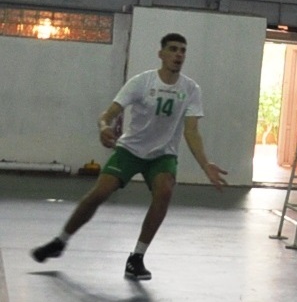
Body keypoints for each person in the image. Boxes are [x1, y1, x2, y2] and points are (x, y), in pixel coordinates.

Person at [30, 33, 228, 280]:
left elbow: (191, 131)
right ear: (161, 54)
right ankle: (60, 241)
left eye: (183, 51)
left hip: (162, 154)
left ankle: (136, 258)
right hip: (130, 150)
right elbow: (109, 114)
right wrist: (104, 127)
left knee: (165, 191)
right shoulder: (141, 82)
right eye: (173, 49)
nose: (179, 54)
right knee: (99, 194)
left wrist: (205, 164)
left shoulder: (190, 89)